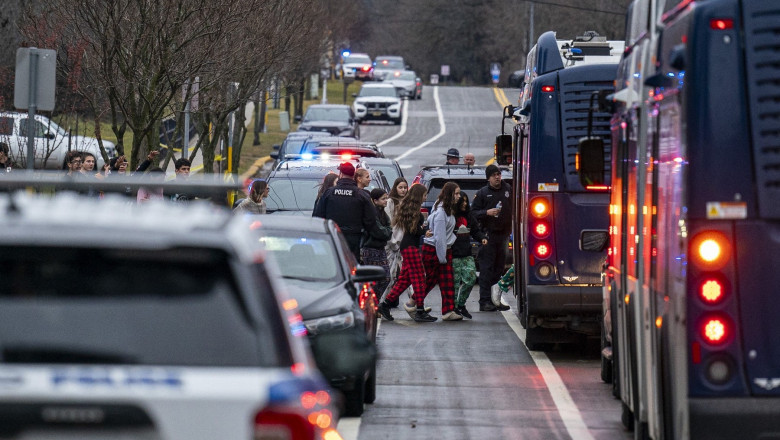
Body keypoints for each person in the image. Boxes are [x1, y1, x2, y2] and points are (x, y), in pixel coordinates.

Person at [376, 184, 435, 322]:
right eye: (425, 195)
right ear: (419, 195)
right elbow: (413, 230)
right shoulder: (414, 211)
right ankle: (419, 309)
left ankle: (385, 305)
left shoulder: (407, 208)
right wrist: (424, 231)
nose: (425, 197)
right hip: (411, 248)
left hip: (407, 247)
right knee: (420, 278)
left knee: (405, 280)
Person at [312, 162, 378, 261]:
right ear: (353, 176)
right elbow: (371, 219)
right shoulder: (362, 195)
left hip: (333, 237)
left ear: (341, 174)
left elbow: (317, 216)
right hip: (354, 239)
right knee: (352, 265)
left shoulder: (329, 193)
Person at [418, 181, 462, 321]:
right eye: (456, 193)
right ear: (450, 194)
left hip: (442, 250)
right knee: (431, 279)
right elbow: (440, 237)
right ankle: (414, 301)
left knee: (447, 281)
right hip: (435, 250)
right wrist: (442, 257)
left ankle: (448, 310)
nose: (459, 196)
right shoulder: (441, 212)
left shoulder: (446, 209)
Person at [473, 164, 512, 311]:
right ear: (488, 178)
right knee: (486, 269)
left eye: (499, 174)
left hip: (503, 235)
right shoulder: (483, 193)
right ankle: (484, 301)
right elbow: (473, 213)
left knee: (499, 269)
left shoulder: (507, 189)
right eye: (494, 175)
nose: (497, 177)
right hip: (489, 235)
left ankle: (496, 299)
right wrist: (486, 212)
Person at [451, 192, 485, 319]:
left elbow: (476, 230)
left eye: (466, 201)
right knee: (454, 283)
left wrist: (482, 238)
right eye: (462, 201)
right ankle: (453, 308)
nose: (465, 204)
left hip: (466, 252)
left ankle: (461, 303)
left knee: (470, 279)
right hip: (454, 253)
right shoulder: (451, 215)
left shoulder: (469, 216)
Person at [361, 188, 392, 298]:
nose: (386, 201)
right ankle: (370, 304)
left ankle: (374, 301)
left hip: (381, 249)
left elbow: (389, 228)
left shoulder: (383, 213)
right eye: (383, 199)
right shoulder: (372, 214)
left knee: (386, 278)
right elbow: (379, 232)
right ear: (375, 200)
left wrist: (387, 232)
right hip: (370, 249)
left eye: (386, 198)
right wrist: (386, 232)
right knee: (373, 280)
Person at [384, 177, 409, 307]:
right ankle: (384, 301)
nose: (403, 190)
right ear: (395, 188)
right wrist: (392, 241)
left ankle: (413, 302)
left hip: (405, 241)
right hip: (393, 241)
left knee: (407, 273)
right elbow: (388, 222)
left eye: (405, 187)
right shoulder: (390, 202)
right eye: (400, 187)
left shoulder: (408, 202)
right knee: (391, 272)